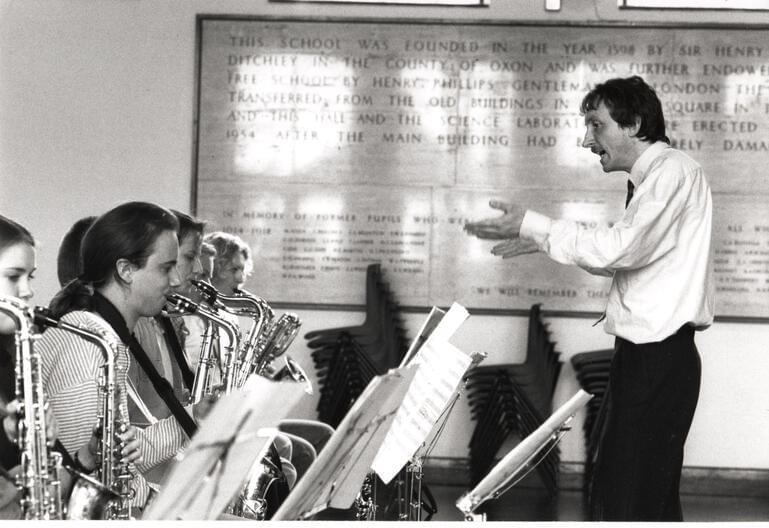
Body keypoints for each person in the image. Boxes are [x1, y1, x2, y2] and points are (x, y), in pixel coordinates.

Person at [464, 75, 714, 521]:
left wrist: (535, 226)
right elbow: (621, 258)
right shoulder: (657, 175)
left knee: (631, 498)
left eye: (596, 125)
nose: (586, 140)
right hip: (646, 357)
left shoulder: (672, 172)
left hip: (658, 359)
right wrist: (541, 240)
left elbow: (619, 248)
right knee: (632, 494)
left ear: (634, 123)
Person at [39, 202, 197, 513]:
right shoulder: (88, 346)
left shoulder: (106, 337)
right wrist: (157, 504)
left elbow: (116, 462)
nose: (177, 280)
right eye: (166, 267)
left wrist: (194, 416)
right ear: (125, 270)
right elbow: (79, 482)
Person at [0, 214, 132, 519]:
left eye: (29, 277)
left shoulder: (10, 365)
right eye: (13, 277)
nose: (27, 291)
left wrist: (88, 455)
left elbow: (51, 491)